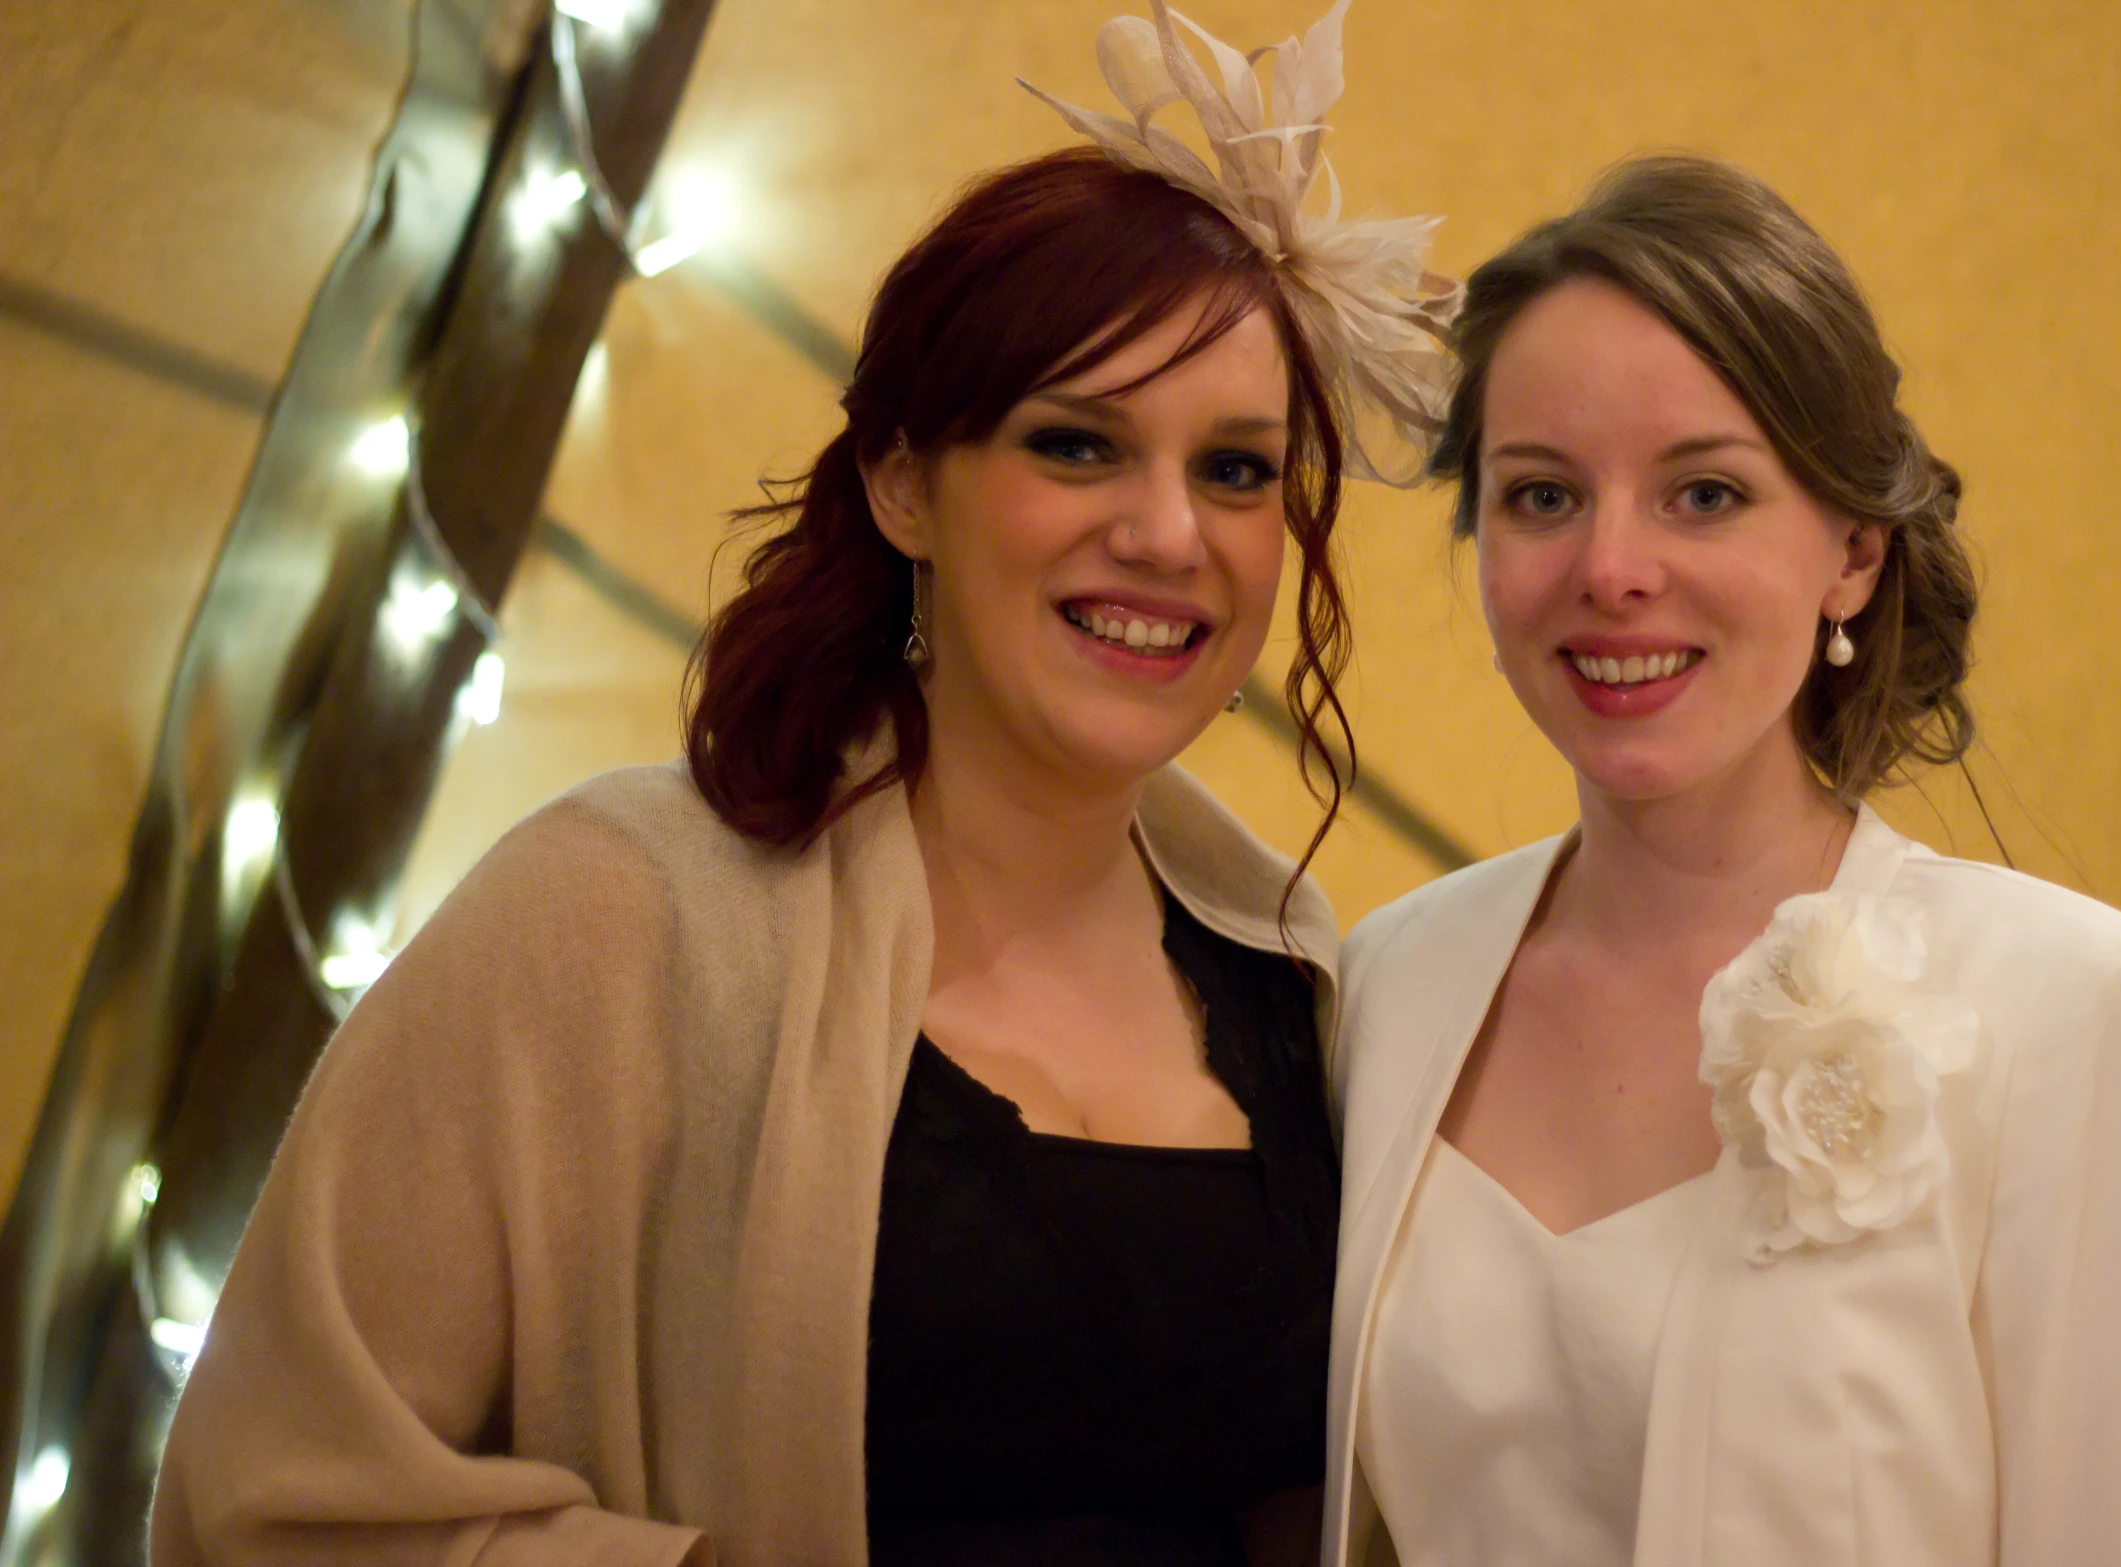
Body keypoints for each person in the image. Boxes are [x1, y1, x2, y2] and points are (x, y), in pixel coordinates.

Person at [150, 6, 1456, 1565]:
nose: (1171, 535)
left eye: (1236, 468)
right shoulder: (613, 912)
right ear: (906, 482)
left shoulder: (1301, 983)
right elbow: (269, 1497)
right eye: (1078, 444)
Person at [1323, 155, 2121, 1567]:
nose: (1610, 567)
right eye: (1540, 495)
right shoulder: (1384, 980)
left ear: (1854, 552)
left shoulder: (2076, 1006)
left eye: (1702, 494)